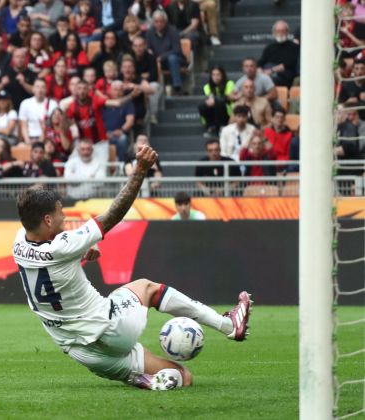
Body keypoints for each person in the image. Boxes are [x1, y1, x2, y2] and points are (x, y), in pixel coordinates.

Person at [13, 145, 252, 390]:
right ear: (48, 220)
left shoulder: (19, 241)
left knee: (183, 377)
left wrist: (80, 252)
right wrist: (139, 171)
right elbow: (112, 215)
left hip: (81, 351)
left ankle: (142, 378)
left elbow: (52, 257)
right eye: (60, 213)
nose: (64, 218)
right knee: (147, 288)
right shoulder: (62, 246)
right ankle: (229, 325)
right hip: (109, 328)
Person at [145, 10, 186, 95]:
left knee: (172, 59)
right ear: (153, 22)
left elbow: (176, 49)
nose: (159, 24)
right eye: (156, 22)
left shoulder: (173, 31)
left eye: (161, 21)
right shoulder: (149, 32)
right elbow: (148, 48)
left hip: (176, 59)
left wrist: (161, 57)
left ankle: (177, 87)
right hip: (156, 60)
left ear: (165, 22)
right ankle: (155, 90)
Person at [257, 20, 299, 88]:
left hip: (286, 76)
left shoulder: (294, 47)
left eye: (283, 31)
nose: (281, 33)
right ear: (274, 33)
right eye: (278, 31)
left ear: (287, 32)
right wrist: (259, 70)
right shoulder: (270, 47)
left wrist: (271, 70)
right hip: (270, 74)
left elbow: (289, 64)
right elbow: (261, 61)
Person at [199, 66, 236, 137]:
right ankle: (211, 126)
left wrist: (214, 99)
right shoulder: (207, 86)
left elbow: (227, 97)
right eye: (213, 75)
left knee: (219, 102)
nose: (216, 77)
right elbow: (210, 99)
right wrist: (212, 100)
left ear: (223, 75)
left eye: (218, 74)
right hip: (214, 111)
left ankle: (222, 127)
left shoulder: (230, 83)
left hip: (227, 112)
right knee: (202, 106)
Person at [102, 81, 134, 162]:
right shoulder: (104, 103)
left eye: (120, 90)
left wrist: (121, 130)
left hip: (118, 133)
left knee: (122, 139)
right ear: (110, 90)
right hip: (103, 134)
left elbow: (130, 121)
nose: (117, 92)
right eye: (115, 89)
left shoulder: (127, 103)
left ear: (123, 91)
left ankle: (121, 165)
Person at [19, 78, 59, 144]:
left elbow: (56, 125)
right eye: (37, 87)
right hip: (31, 137)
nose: (40, 90)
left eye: (43, 87)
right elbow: (24, 125)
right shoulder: (25, 103)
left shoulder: (53, 104)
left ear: (46, 89)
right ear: (33, 89)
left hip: (48, 138)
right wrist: (27, 140)